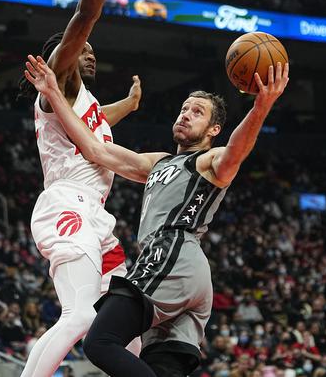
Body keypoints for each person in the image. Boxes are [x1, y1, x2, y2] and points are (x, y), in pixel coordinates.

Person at [24, 55, 289, 376]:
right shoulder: (158, 163)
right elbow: (96, 149)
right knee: (156, 366)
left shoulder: (208, 162)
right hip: (187, 278)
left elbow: (236, 151)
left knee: (100, 340)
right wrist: (52, 93)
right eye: (184, 109)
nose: (186, 115)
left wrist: (261, 106)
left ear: (214, 130)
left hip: (173, 259)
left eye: (197, 112)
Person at [18, 0, 147, 377]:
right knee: (79, 316)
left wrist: (128, 106)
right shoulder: (60, 81)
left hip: (96, 213)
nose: (90, 50)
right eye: (81, 48)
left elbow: (97, 124)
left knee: (126, 326)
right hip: (66, 203)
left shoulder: (86, 103)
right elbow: (84, 16)